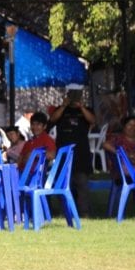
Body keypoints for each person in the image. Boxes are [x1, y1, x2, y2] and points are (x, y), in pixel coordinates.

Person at [49, 85, 96, 217]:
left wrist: (81, 107)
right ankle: (66, 211)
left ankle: (84, 212)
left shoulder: (86, 109)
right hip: (63, 152)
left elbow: (92, 120)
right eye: (72, 95)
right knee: (63, 182)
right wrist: (64, 106)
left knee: (82, 184)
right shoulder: (61, 109)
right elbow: (52, 120)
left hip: (81, 152)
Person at [102, 115, 135, 186]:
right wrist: (124, 154)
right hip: (123, 170)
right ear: (124, 126)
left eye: (134, 125)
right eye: (129, 125)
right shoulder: (118, 139)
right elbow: (105, 145)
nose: (132, 128)